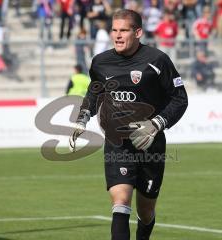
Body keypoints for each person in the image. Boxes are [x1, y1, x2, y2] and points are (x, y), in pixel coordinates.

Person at [69, 9, 188, 240]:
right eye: (114, 30)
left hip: (150, 144)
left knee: (145, 211)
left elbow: (180, 98)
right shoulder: (101, 62)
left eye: (124, 30)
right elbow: (94, 93)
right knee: (120, 202)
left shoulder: (157, 60)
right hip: (118, 143)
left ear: (138, 32)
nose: (118, 35)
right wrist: (83, 117)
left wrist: (156, 124)